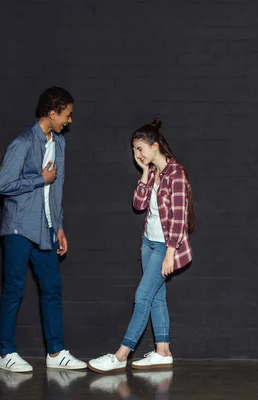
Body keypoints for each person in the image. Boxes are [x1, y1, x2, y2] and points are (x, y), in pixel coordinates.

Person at [88, 118, 195, 373]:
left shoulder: (176, 173)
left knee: (142, 297)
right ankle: (163, 351)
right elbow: (138, 205)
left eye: (140, 149)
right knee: (156, 298)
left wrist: (170, 253)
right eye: (134, 150)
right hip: (148, 244)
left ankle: (121, 355)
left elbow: (179, 219)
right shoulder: (155, 172)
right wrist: (146, 173)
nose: (137, 154)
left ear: (155, 146)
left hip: (163, 247)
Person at [0, 86, 86, 372]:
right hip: (20, 227)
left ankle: (56, 353)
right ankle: (6, 353)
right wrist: (39, 179)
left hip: (45, 227)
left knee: (52, 289)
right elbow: (2, 185)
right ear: (52, 113)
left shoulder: (59, 144)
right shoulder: (22, 143)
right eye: (67, 115)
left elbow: (56, 189)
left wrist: (58, 227)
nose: (69, 121)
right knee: (14, 289)